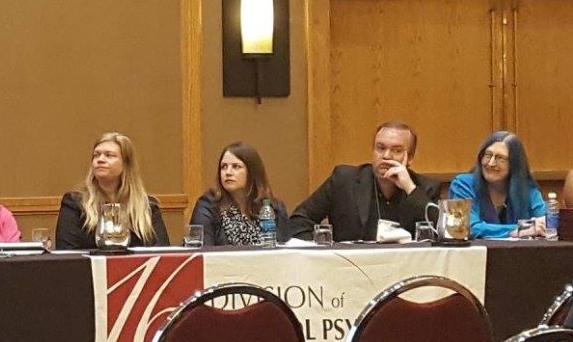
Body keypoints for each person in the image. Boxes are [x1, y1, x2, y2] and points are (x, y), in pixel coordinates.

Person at [289, 121, 440, 241]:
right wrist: (325, 251)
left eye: (396, 150)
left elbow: (440, 234)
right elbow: (299, 221)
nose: (386, 156)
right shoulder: (344, 180)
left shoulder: (425, 188)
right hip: (351, 266)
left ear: (410, 157)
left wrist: (410, 188)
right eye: (380, 148)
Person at [55, 132, 170, 249]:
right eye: (96, 155)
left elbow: (162, 250)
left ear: (126, 164)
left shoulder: (147, 206)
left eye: (109, 155)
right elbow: (66, 251)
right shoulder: (75, 203)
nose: (100, 160)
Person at [448, 131, 546, 239]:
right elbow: (466, 227)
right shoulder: (463, 185)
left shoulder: (527, 189)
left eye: (500, 158)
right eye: (488, 155)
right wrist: (520, 229)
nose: (491, 163)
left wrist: (539, 226)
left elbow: (545, 223)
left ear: (515, 164)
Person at [190, 142, 290, 246]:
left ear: (252, 172)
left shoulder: (274, 208)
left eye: (236, 167)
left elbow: (286, 249)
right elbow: (203, 250)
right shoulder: (208, 206)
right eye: (224, 167)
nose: (228, 172)